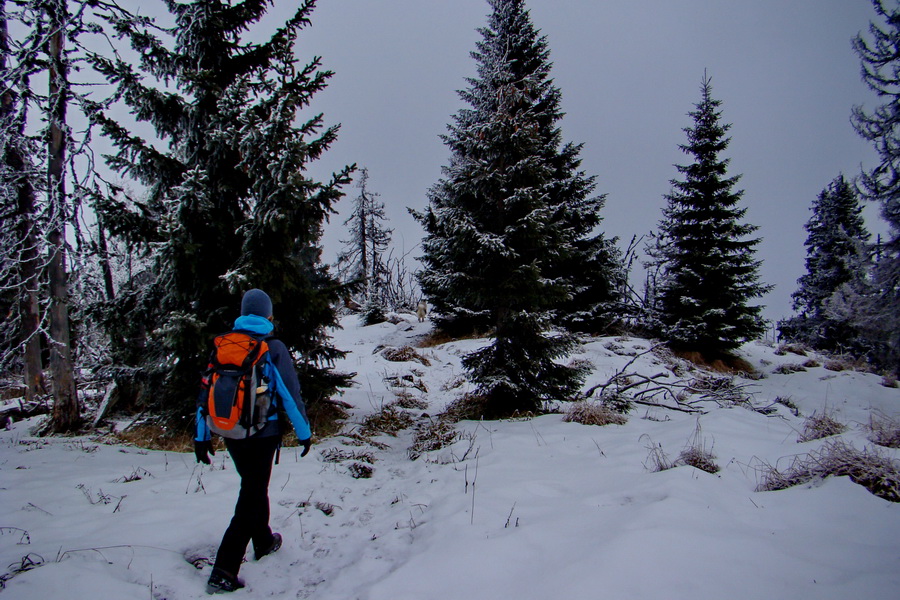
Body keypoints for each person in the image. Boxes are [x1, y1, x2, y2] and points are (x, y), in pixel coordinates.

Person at [194, 288, 312, 593]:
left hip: (230, 433)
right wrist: (304, 432)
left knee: (253, 487)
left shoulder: (223, 345)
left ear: (244, 313)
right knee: (251, 495)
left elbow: (205, 392)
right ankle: (224, 569)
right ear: (268, 315)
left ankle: (263, 540)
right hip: (263, 433)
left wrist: (201, 435)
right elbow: (290, 394)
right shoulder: (273, 347)